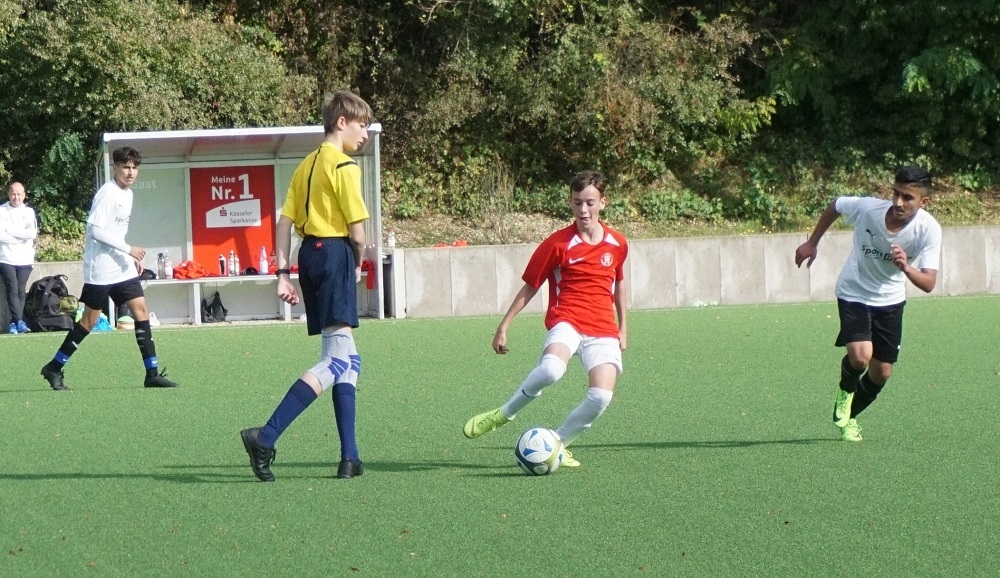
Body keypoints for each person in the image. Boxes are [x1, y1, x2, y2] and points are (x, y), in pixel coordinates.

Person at [240, 91, 373, 482]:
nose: (365, 134)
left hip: (309, 256)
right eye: (361, 125)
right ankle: (265, 436)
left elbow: (284, 222)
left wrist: (283, 272)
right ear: (341, 122)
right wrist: (357, 263)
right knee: (336, 361)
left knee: (348, 358)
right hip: (335, 254)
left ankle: (350, 458)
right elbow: (357, 232)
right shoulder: (344, 166)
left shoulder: (305, 165)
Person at [463, 170, 629, 468]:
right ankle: (504, 413)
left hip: (604, 329)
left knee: (601, 397)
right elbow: (531, 285)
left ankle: (558, 445)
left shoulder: (617, 243)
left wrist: (623, 328)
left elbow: (619, 284)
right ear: (570, 202)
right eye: (577, 202)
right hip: (567, 320)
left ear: (603, 202)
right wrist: (504, 326)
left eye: (590, 202)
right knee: (551, 370)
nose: (583, 210)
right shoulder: (557, 244)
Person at [794, 165, 942, 442]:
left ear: (923, 202)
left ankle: (849, 417)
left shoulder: (929, 229)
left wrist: (906, 267)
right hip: (854, 292)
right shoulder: (869, 209)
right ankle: (845, 390)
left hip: (891, 300)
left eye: (907, 197)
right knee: (861, 357)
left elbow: (929, 283)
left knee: (882, 372)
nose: (898, 202)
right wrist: (812, 242)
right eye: (896, 193)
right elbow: (836, 205)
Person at [39, 147, 179, 391]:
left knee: (141, 310)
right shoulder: (107, 193)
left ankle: (152, 373)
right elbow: (95, 231)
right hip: (101, 269)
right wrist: (128, 249)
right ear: (115, 168)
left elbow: (116, 233)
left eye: (134, 167)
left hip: (120, 266)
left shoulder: (128, 194)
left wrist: (128, 257)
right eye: (126, 167)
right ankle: (53, 367)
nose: (131, 172)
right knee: (89, 321)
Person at [0, 182, 37, 334]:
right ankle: (19, 322)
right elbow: (1, 236)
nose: (16, 197)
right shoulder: (2, 211)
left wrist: (10, 231)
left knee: (21, 291)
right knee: (12, 289)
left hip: (25, 259)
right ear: (9, 194)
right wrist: (21, 236)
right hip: (6, 258)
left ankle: (14, 324)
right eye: (13, 194)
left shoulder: (29, 212)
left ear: (24, 195)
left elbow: (31, 234)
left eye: (19, 194)